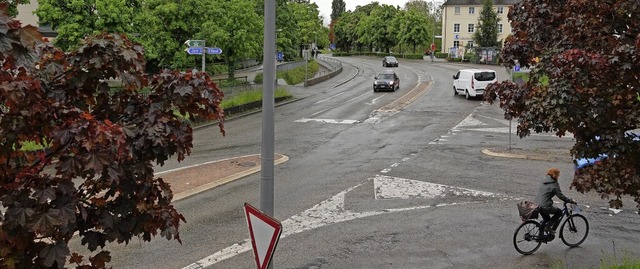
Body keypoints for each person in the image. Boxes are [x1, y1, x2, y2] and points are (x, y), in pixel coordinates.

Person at [534, 168, 576, 235]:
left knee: (546, 219)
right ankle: (548, 227)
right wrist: (570, 200)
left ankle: (540, 236)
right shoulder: (554, 184)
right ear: (555, 175)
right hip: (545, 205)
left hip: (536, 203)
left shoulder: (543, 180)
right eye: (558, 174)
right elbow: (561, 196)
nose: (559, 176)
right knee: (559, 212)